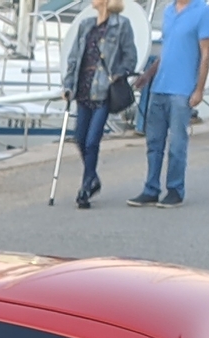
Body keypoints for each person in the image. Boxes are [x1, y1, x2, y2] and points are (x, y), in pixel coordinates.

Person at [131, 0, 209, 206]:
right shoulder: (168, 11)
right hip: (160, 86)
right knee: (154, 142)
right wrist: (148, 75)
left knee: (177, 144)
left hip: (182, 89)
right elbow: (166, 51)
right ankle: (151, 189)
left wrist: (199, 89)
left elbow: (205, 54)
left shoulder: (203, 11)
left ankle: (175, 190)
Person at [60, 0, 141, 209]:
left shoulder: (122, 25)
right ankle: (93, 177)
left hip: (104, 91)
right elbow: (74, 58)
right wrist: (68, 85)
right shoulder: (86, 24)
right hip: (83, 89)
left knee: (91, 141)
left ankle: (86, 187)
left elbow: (131, 57)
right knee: (79, 138)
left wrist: (118, 74)